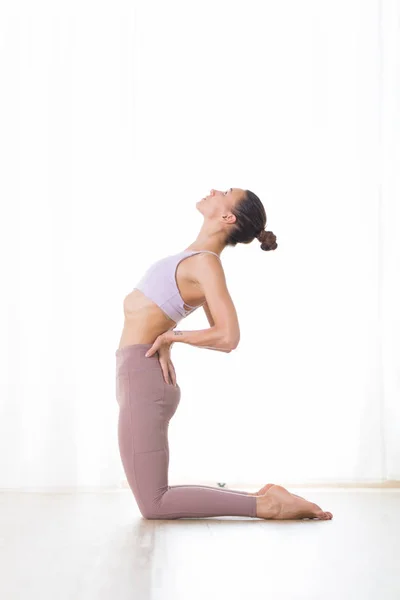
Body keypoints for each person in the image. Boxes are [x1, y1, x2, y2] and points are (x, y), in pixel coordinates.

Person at [115, 187, 333, 521]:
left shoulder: (205, 264)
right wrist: (170, 338)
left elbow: (228, 336)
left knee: (154, 503)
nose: (215, 190)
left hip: (143, 379)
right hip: (140, 375)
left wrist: (173, 335)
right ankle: (268, 501)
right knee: (153, 499)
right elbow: (209, 326)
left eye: (225, 192)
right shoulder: (195, 258)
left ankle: (269, 505)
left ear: (228, 216)